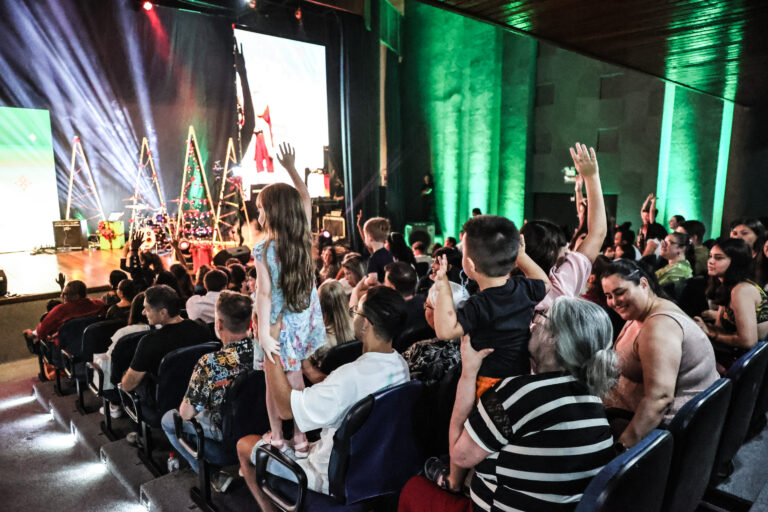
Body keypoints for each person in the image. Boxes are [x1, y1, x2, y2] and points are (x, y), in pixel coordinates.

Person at [402, 297, 618, 508]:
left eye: (541, 318)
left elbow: (460, 455)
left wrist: (468, 372)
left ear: (554, 338)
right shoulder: (594, 399)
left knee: (413, 488)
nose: (532, 326)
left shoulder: (521, 393)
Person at [237, 287, 410, 508]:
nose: (352, 314)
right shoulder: (400, 365)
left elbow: (285, 409)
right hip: (372, 466)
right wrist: (310, 371)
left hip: (327, 476)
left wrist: (269, 346)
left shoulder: (349, 377)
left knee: (244, 445)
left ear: (366, 324)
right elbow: (346, 392)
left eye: (356, 310)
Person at [432, 215, 550, 495]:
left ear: (471, 266)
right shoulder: (523, 289)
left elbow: (445, 330)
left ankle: (454, 480)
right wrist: (522, 257)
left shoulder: (479, 304)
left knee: (465, 428)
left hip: (485, 382)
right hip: (519, 377)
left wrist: (442, 285)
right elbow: (544, 282)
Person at [252, 143, 326, 459]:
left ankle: (278, 437)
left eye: (260, 209)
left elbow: (264, 294)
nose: (258, 214)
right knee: (296, 381)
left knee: (273, 383)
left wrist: (264, 333)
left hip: (276, 324)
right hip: (300, 320)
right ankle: (301, 438)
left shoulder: (264, 249)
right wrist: (292, 169)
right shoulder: (302, 236)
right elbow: (305, 198)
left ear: (272, 212)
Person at [601, 259, 718, 448]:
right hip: (626, 414)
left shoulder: (659, 327)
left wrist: (621, 450)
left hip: (665, 432)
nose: (614, 302)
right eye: (608, 296)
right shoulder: (641, 313)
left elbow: (660, 399)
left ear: (643, 284)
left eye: (620, 292)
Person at [161, 291, 254, 488]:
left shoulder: (211, 363)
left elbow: (186, 414)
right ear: (251, 322)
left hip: (227, 440)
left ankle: (212, 475)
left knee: (169, 419)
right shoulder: (264, 352)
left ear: (218, 325)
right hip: (261, 429)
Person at [120, 285, 212, 395]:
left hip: (168, 399)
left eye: (147, 309)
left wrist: (122, 383)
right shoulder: (202, 327)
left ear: (163, 313)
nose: (143, 312)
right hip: (201, 393)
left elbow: (128, 385)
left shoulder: (149, 342)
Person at [693, 238, 768, 369]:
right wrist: (703, 327)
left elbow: (748, 342)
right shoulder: (727, 285)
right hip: (735, 355)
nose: (710, 261)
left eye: (718, 258)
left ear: (735, 262)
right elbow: (720, 326)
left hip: (747, 364)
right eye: (710, 256)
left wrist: (710, 333)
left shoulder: (742, 290)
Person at [94, 292, 150, 418]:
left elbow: (110, 358)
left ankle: (114, 404)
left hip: (124, 378)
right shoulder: (159, 329)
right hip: (148, 376)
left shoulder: (124, 333)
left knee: (104, 361)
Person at [403, 281, 468, 386]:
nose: (424, 307)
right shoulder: (477, 345)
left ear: (439, 314)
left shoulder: (422, 351)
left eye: (427, 305)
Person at [23, 280, 106, 344]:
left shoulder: (61, 310)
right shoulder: (100, 304)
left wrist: (32, 334)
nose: (61, 296)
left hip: (68, 348)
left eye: (65, 294)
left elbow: (41, 332)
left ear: (76, 296)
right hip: (95, 344)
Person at [307, 280, 355, 379]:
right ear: (344, 299)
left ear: (320, 304)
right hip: (353, 378)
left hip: (324, 382)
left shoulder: (316, 337)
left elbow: (307, 367)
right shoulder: (357, 327)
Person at [384, 261, 429, 336]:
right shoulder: (428, 304)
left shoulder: (390, 315)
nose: (384, 285)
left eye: (385, 282)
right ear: (415, 284)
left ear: (392, 288)